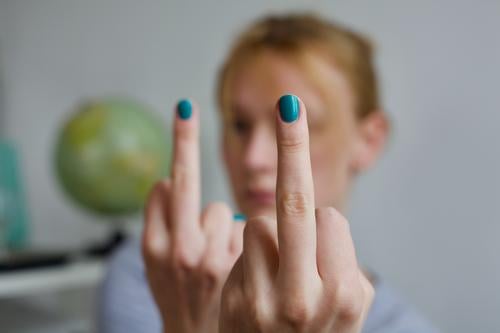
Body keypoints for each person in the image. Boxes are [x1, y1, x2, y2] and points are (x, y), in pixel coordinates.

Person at [98, 14, 438, 333]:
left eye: (297, 122)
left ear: (369, 140)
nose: (253, 158)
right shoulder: (152, 275)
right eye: (240, 125)